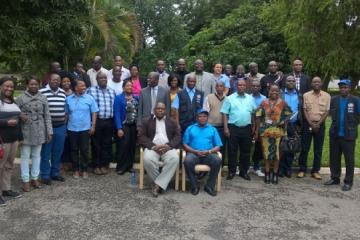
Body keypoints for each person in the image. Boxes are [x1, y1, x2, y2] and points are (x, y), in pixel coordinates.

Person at [16, 77, 52, 192]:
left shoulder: (43, 98)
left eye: (36, 84)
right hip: (25, 131)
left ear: (39, 85)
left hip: (39, 131)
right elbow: (14, 113)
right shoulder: (20, 98)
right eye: (31, 84)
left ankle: (35, 178)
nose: (34, 86)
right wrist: (20, 115)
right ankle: (26, 180)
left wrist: (49, 131)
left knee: (37, 156)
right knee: (25, 156)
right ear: (27, 85)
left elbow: (47, 115)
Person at [138, 102, 181, 197]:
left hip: (167, 148)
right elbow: (141, 136)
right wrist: (153, 146)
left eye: (162, 109)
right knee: (147, 159)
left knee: (175, 158)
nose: (160, 110)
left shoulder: (172, 121)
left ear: (165, 110)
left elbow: (178, 136)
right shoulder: (146, 121)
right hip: (153, 148)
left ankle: (157, 185)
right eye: (158, 108)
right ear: (154, 110)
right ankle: (162, 184)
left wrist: (168, 146)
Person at [324, 79, 360, 191]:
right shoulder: (334, 99)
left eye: (345, 87)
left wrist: (352, 125)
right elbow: (330, 114)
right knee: (334, 157)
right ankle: (335, 178)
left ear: (349, 88)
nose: (343, 89)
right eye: (341, 87)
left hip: (349, 134)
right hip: (335, 134)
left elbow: (359, 116)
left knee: (349, 159)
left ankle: (348, 182)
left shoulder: (355, 100)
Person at [255, 84, 292, 184]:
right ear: (268, 91)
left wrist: (283, 121)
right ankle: (267, 173)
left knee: (277, 155)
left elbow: (289, 115)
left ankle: (275, 174)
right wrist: (257, 131)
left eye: (276, 91)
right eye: (272, 90)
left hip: (279, 133)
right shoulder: (264, 102)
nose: (274, 92)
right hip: (265, 133)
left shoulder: (283, 103)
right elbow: (258, 115)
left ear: (279, 91)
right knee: (266, 154)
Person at [221, 79, 257, 181]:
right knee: (232, 151)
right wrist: (226, 128)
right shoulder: (229, 98)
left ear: (246, 87)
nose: (241, 86)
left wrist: (254, 126)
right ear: (236, 86)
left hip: (247, 128)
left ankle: (243, 172)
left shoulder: (250, 99)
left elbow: (253, 113)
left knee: (246, 151)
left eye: (243, 85)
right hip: (233, 128)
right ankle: (232, 171)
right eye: (239, 85)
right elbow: (224, 113)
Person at [183, 109, 222, 196]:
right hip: (194, 154)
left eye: (204, 116)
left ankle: (209, 186)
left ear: (207, 118)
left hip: (208, 154)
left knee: (217, 160)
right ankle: (194, 186)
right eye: (200, 116)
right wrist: (195, 151)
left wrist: (209, 151)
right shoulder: (190, 128)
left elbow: (218, 146)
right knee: (187, 161)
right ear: (196, 118)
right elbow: (185, 144)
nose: (202, 118)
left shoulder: (213, 129)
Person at [298, 77, 331, 179]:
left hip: (320, 125)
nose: (316, 83)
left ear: (321, 83)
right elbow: (304, 111)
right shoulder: (306, 95)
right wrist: (311, 124)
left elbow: (326, 111)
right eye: (314, 82)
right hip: (308, 124)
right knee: (305, 148)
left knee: (318, 149)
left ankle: (315, 171)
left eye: (318, 81)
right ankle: (302, 169)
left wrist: (318, 124)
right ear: (311, 84)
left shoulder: (327, 96)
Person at [66, 79, 99, 179]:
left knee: (84, 150)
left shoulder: (89, 98)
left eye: (85, 86)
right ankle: (76, 170)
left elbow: (94, 112)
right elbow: (66, 114)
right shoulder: (68, 99)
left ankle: (84, 170)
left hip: (85, 129)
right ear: (75, 88)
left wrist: (93, 125)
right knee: (74, 150)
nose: (84, 87)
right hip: (72, 128)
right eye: (82, 86)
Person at [39, 74, 67, 185]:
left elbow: (65, 109)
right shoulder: (42, 92)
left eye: (58, 80)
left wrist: (64, 123)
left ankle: (55, 173)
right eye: (53, 79)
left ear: (60, 82)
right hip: (47, 128)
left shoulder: (63, 92)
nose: (55, 81)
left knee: (58, 151)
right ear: (49, 81)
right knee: (46, 152)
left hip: (60, 127)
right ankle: (45, 175)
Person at [0, 76, 23, 206]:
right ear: (1, 87)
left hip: (13, 140)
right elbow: (8, 122)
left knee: (9, 166)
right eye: (6, 86)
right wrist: (6, 122)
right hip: (2, 141)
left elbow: (18, 122)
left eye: (11, 86)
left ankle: (6, 189)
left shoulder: (13, 103)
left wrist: (20, 138)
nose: (9, 88)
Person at [87, 72, 116, 175]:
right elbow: (88, 107)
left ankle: (104, 164)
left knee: (107, 144)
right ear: (97, 79)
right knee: (96, 144)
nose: (103, 79)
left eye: (105, 78)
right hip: (97, 121)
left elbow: (114, 107)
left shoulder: (112, 91)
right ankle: (96, 165)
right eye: (101, 78)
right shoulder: (91, 90)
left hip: (109, 121)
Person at [114, 80, 139, 175]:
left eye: (131, 86)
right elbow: (116, 113)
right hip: (124, 125)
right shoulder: (118, 98)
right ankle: (121, 167)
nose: (129, 87)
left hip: (133, 125)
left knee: (131, 146)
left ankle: (129, 166)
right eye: (127, 85)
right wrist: (119, 128)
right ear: (123, 87)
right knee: (123, 146)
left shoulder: (136, 98)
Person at [279, 75, 302, 178]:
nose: (291, 82)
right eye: (289, 80)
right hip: (281, 124)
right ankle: (280, 169)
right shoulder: (280, 93)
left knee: (291, 147)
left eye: (293, 80)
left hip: (294, 124)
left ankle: (288, 169)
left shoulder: (299, 95)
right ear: (285, 82)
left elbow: (300, 109)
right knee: (281, 147)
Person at [203, 80, 226, 160]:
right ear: (215, 87)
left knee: (221, 148)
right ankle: (208, 167)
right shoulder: (209, 97)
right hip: (211, 127)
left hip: (223, 128)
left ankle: (220, 167)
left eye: (221, 86)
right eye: (217, 86)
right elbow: (205, 112)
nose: (219, 88)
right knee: (210, 147)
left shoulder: (228, 99)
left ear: (224, 88)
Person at [251, 80, 266, 177]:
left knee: (258, 147)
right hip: (249, 124)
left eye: (257, 86)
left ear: (260, 87)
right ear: (251, 87)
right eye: (254, 86)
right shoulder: (247, 97)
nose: (255, 88)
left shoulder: (264, 98)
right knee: (246, 147)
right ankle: (244, 166)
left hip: (260, 125)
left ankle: (257, 167)